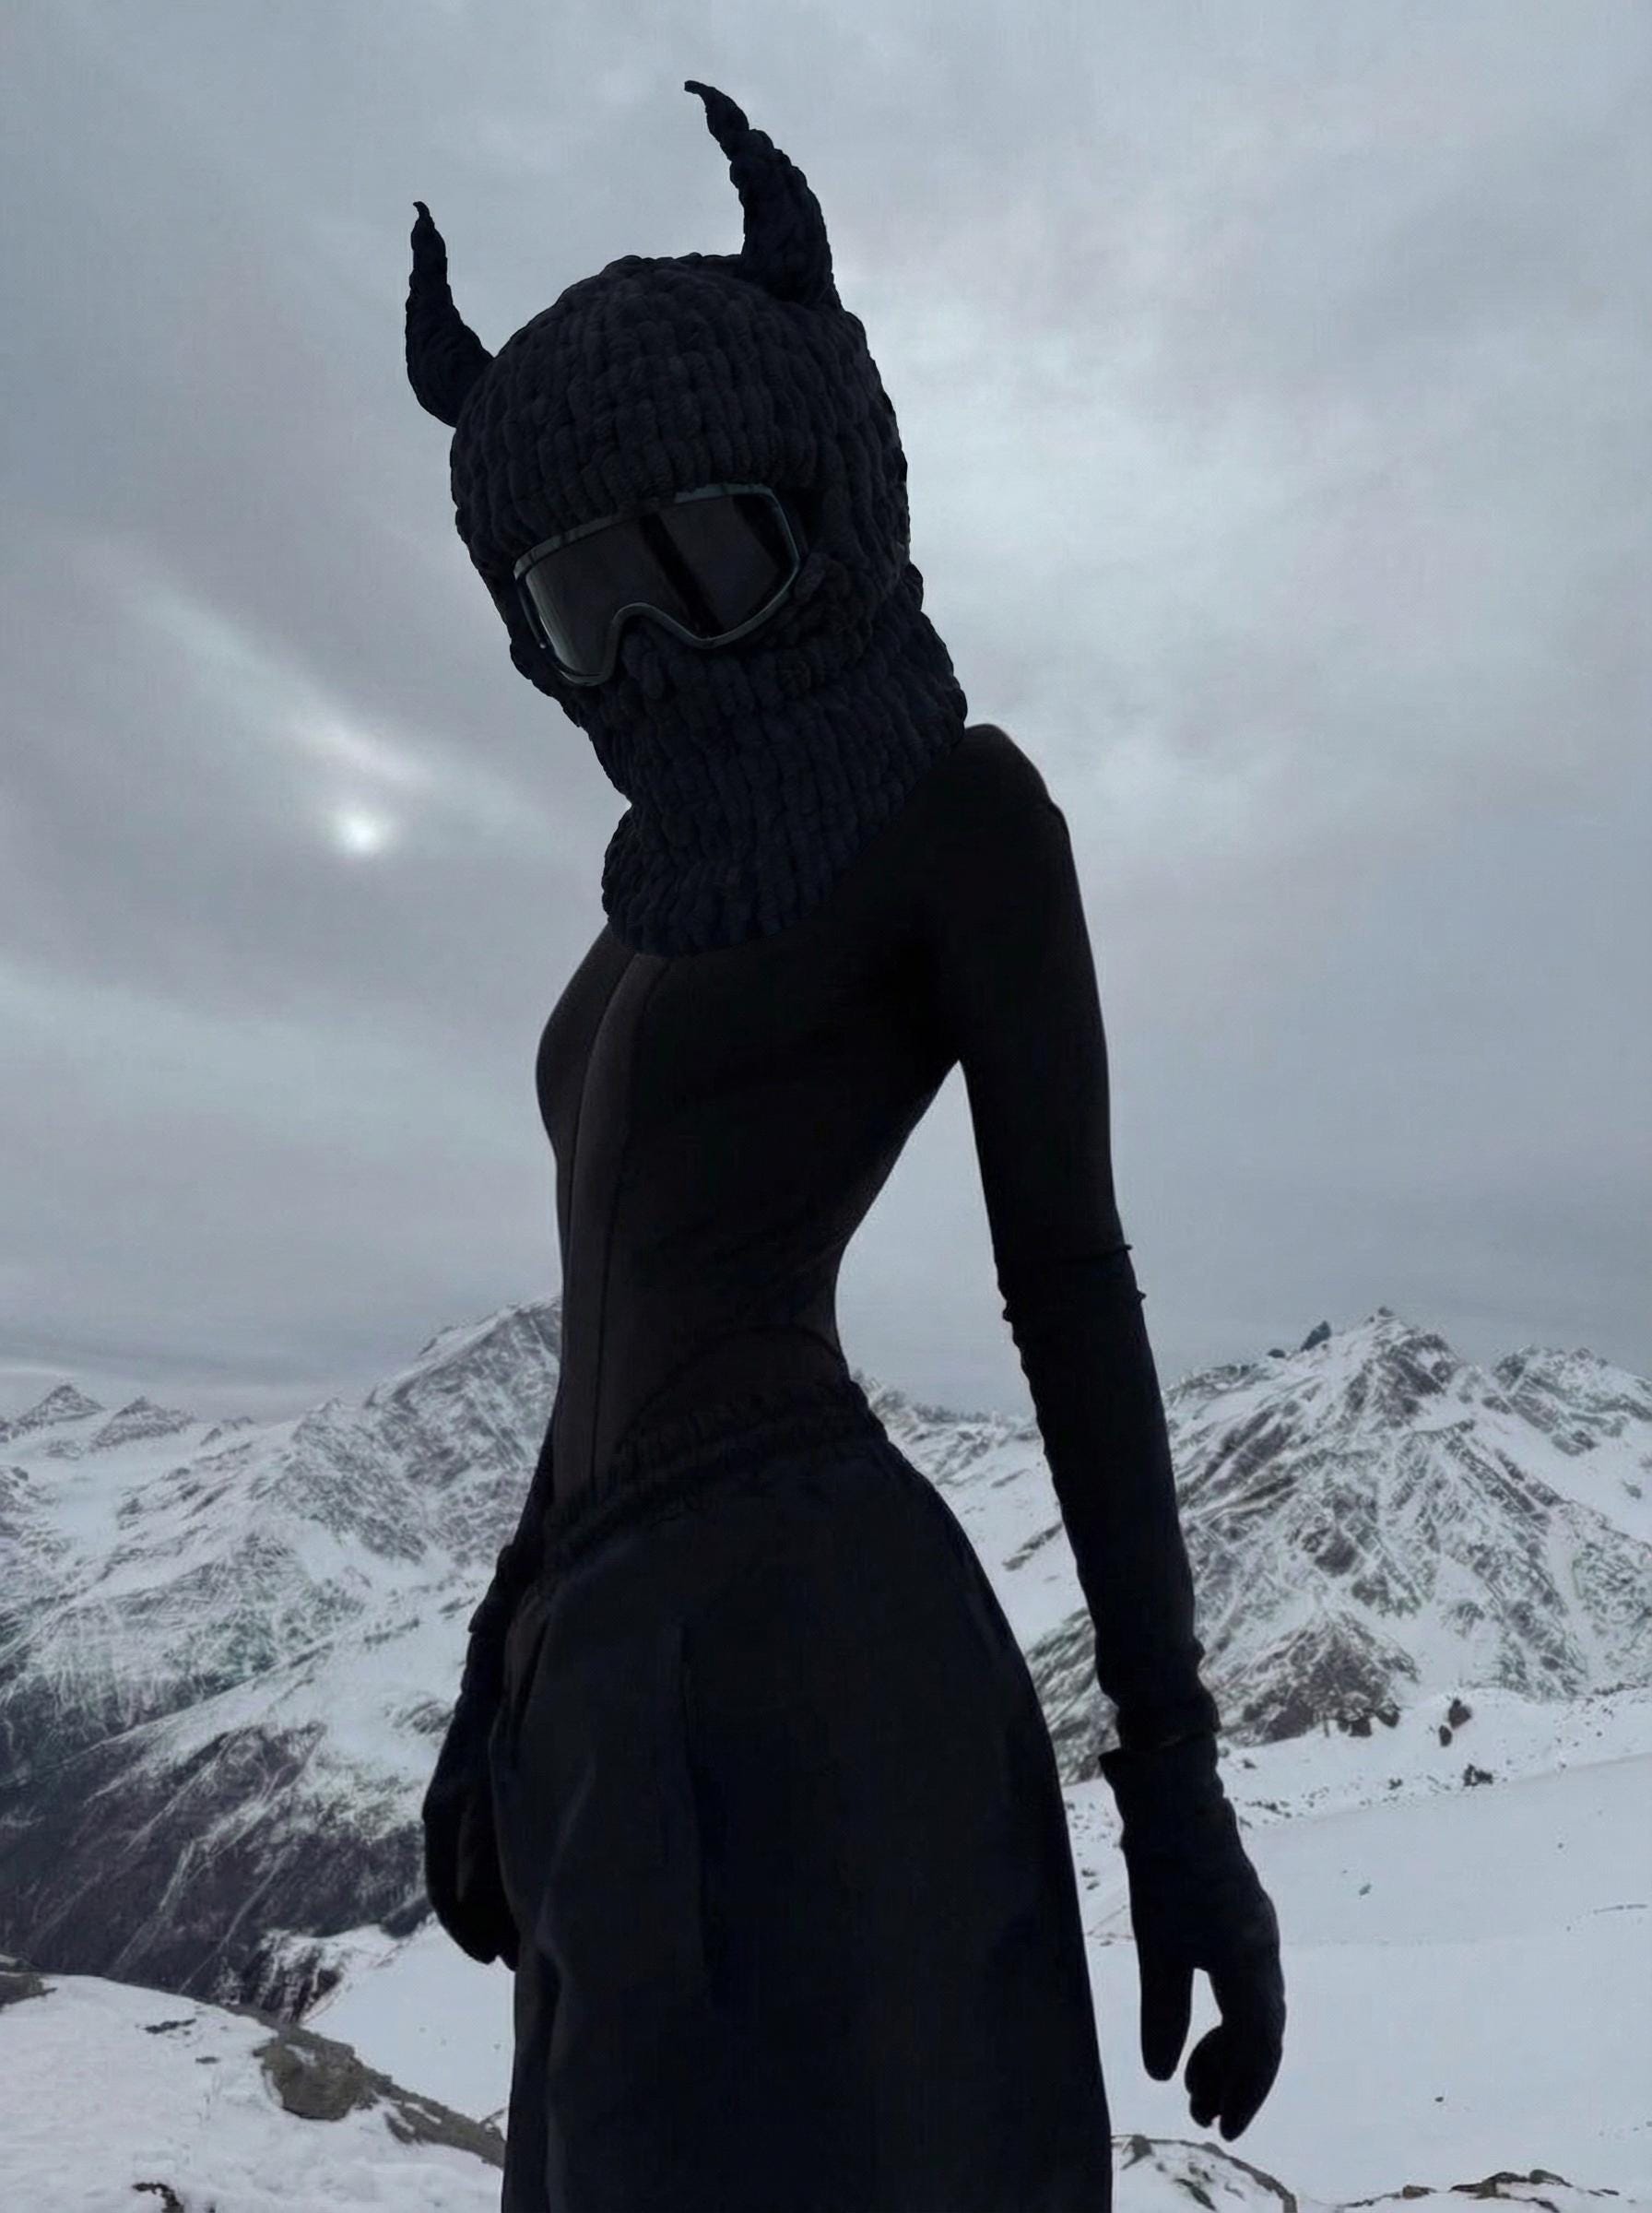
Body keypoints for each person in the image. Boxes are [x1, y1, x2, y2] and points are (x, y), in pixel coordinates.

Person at [407, 79, 1284, 2213]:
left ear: (829, 502)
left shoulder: (953, 815)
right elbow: (609, 1310)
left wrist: (1173, 1790)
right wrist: (497, 1666)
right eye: (575, 599)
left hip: (805, 1655)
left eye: (698, 560)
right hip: (615, 1674)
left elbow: (1065, 1285)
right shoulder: (637, 917)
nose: (637, 651)